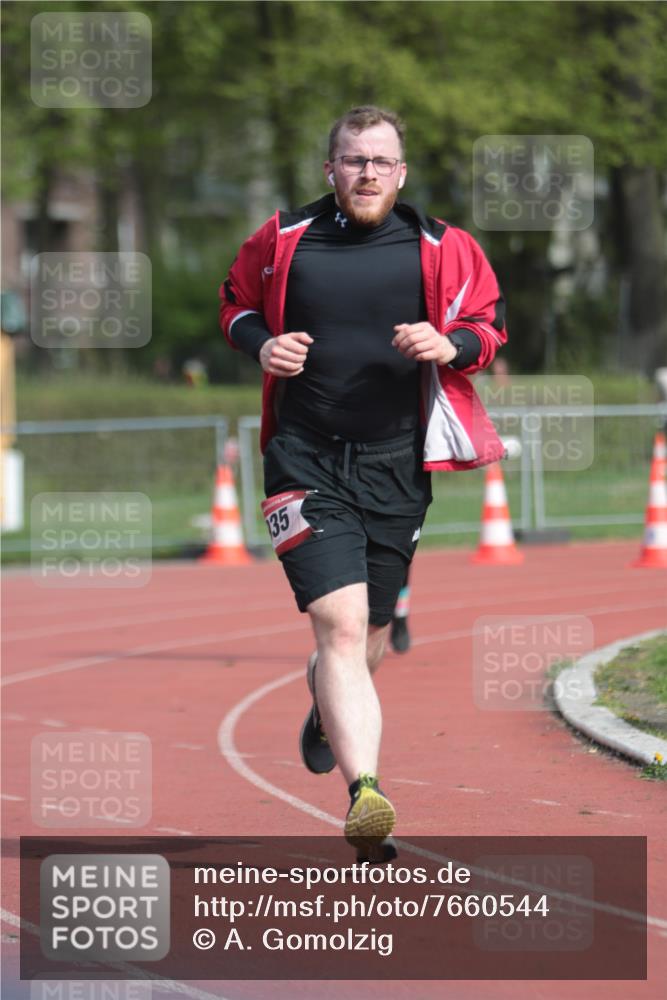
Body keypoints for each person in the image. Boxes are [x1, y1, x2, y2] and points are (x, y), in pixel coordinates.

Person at [220, 106, 507, 859]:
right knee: (341, 626)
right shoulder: (284, 239)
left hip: (396, 462)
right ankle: (366, 795)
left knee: (372, 632)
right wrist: (262, 343)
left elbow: (489, 324)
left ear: (401, 172)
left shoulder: (442, 246)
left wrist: (449, 343)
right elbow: (235, 305)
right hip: (303, 457)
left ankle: (326, 705)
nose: (368, 173)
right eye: (354, 161)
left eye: (381, 161)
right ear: (331, 169)